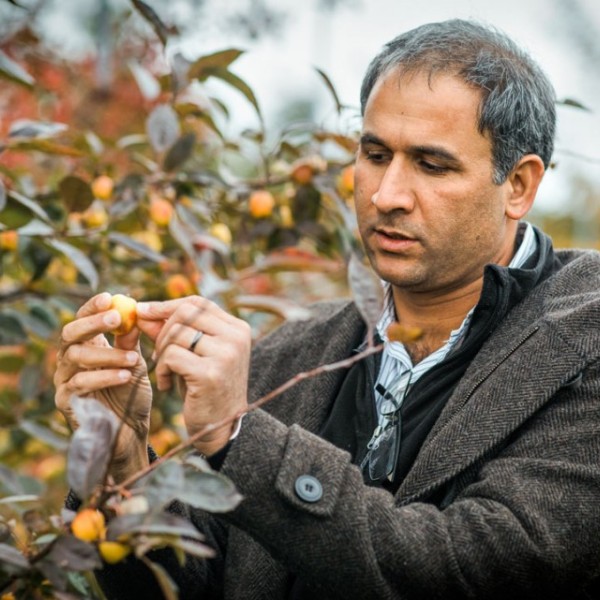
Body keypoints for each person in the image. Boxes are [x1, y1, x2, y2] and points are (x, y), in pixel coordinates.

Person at [55, 18, 600, 600]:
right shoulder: (293, 355)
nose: (386, 194)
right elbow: (193, 587)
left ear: (518, 184)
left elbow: (471, 566)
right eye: (374, 153)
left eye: (432, 164)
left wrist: (239, 439)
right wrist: (122, 469)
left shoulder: (581, 341)